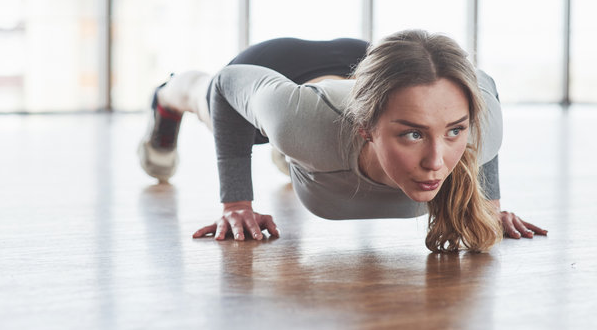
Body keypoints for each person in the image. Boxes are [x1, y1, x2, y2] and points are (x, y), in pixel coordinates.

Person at [138, 30, 547, 252]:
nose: (437, 162)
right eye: (413, 134)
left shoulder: (481, 128)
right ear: (365, 128)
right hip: (281, 70)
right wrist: (236, 202)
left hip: (370, 68)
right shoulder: (298, 119)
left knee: (305, 145)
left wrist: (489, 205)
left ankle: (301, 156)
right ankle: (168, 94)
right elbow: (228, 86)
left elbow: (484, 85)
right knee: (205, 95)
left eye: (454, 131)